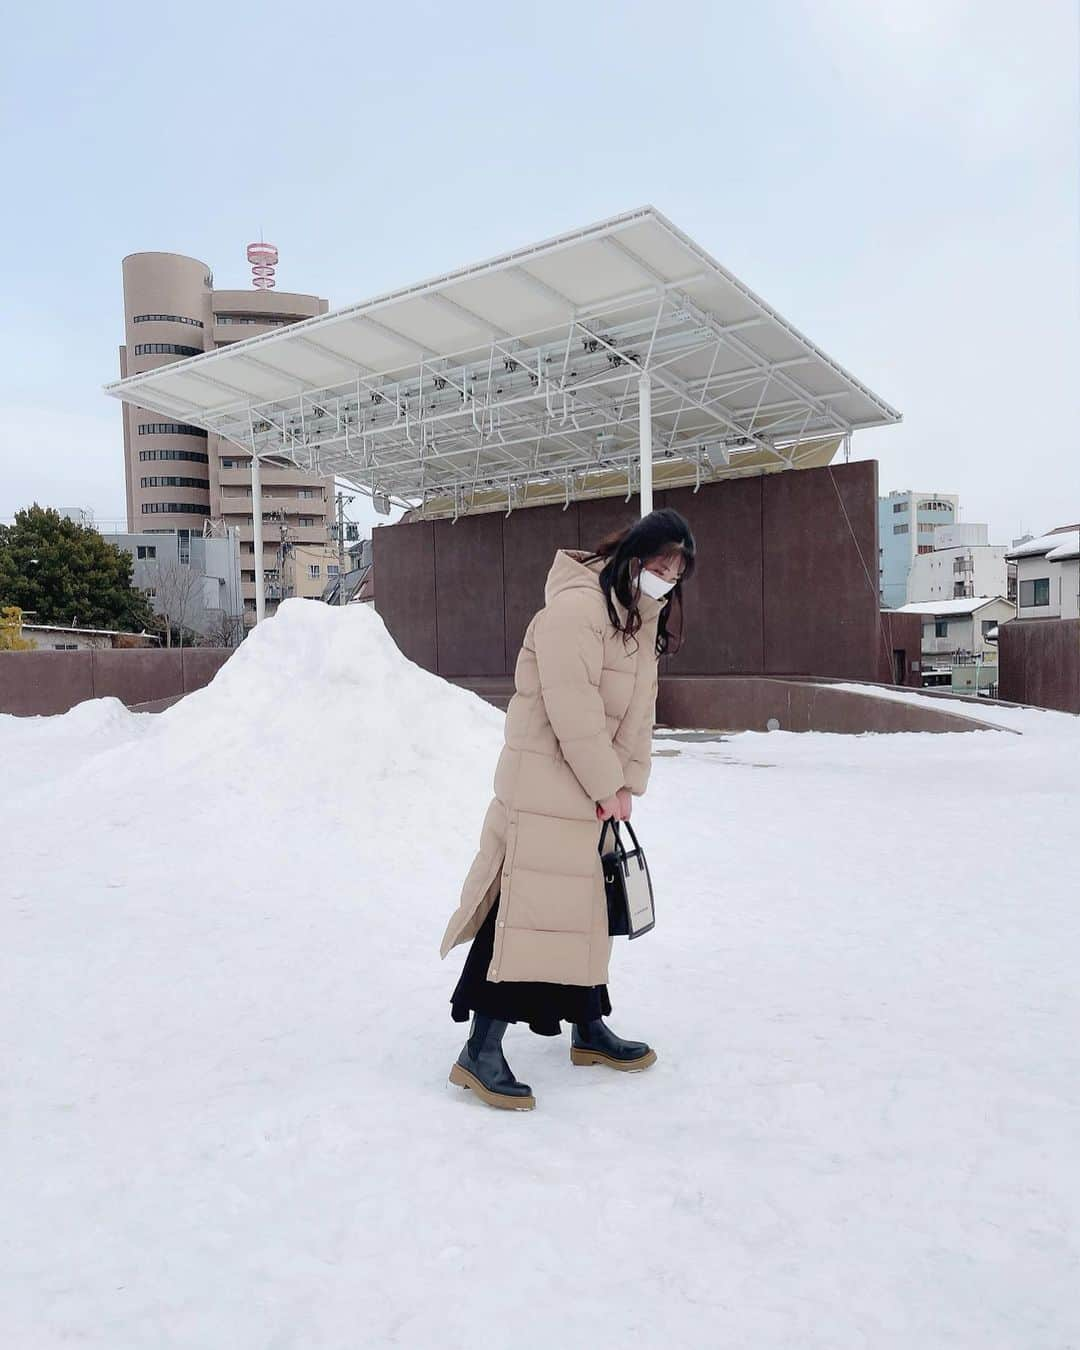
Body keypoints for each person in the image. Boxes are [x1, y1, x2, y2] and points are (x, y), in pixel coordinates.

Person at [440, 507, 696, 1111]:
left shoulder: (638, 621)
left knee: (586, 912)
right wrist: (608, 784)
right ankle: (480, 1049)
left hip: (590, 791)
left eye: (677, 573)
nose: (668, 580)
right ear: (633, 558)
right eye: (661, 567)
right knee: (523, 913)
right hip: (545, 785)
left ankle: (588, 1027)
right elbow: (572, 709)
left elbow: (638, 715)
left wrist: (627, 782)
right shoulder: (577, 611)